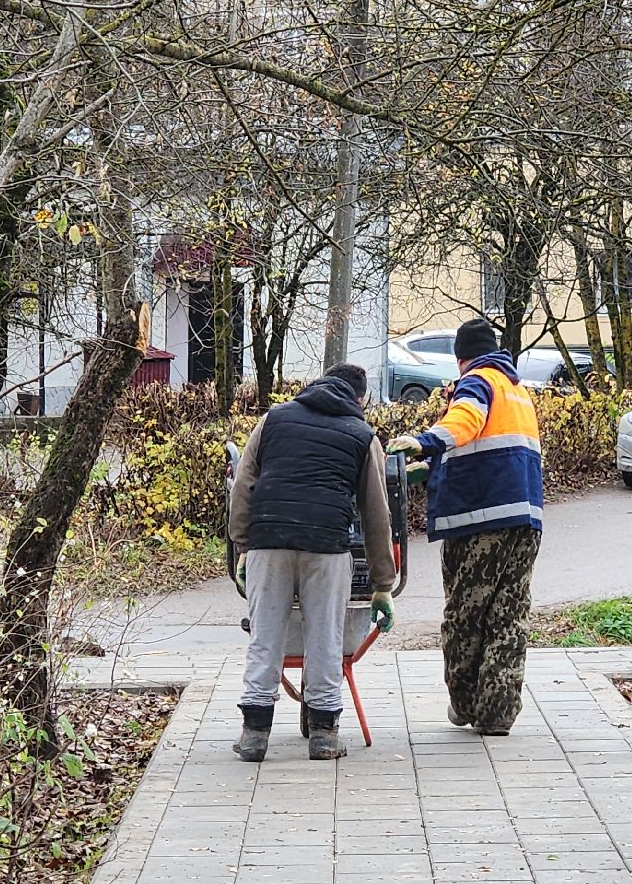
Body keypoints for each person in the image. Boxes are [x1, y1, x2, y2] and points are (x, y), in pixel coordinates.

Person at [228, 363, 396, 762]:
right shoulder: (361, 434)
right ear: (361, 399)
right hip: (327, 545)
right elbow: (377, 515)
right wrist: (382, 585)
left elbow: (243, 486)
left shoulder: (272, 420)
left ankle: (254, 735)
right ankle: (324, 736)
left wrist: (242, 547)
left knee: (265, 636)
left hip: (269, 540)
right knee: (325, 637)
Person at [386, 318, 543, 735]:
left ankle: (466, 702)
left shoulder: (476, 382)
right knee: (508, 614)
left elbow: (465, 423)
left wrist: (424, 441)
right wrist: (433, 467)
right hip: (524, 520)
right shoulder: (517, 391)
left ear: (461, 359)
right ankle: (498, 714)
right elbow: (489, 446)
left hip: (480, 520)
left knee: (465, 614)